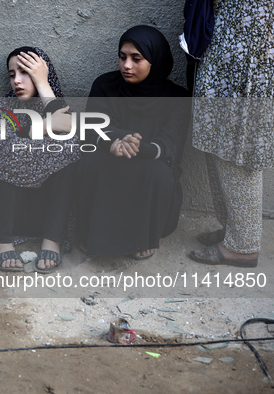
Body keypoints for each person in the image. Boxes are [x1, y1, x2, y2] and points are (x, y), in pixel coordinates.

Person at [75, 25, 190, 259]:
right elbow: (90, 131)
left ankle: (142, 237)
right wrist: (112, 143)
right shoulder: (105, 85)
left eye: (136, 59)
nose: (126, 65)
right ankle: (94, 234)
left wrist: (136, 146)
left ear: (154, 60)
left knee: (158, 172)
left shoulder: (177, 97)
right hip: (110, 159)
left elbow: (168, 147)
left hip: (150, 164)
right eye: (122, 57)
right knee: (92, 162)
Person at [189, 1, 274, 267]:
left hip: (251, 61)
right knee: (217, 144)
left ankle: (243, 245)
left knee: (238, 151)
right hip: (227, 52)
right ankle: (235, 229)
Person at [0, 46, 79, 273]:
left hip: (45, 212)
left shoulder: (57, 105)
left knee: (70, 149)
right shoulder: (2, 107)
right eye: (12, 75)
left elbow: (70, 135)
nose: (17, 81)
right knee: (11, 155)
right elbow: (4, 156)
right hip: (5, 212)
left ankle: (52, 239)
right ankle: (0, 241)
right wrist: (43, 127)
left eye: (26, 72)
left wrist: (44, 84)